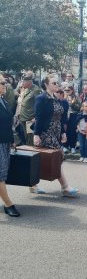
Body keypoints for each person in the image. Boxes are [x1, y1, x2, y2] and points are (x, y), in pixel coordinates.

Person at [33, 75, 79, 197]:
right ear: (46, 84)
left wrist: (63, 133)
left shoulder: (57, 99)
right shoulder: (41, 98)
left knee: (44, 159)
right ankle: (65, 187)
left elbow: (61, 118)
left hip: (56, 132)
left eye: (57, 83)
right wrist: (36, 134)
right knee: (56, 158)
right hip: (46, 132)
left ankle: (32, 184)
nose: (57, 85)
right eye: (54, 83)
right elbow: (38, 117)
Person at [0, 75, 20, 217]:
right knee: (0, 175)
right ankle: (8, 204)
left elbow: (7, 123)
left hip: (5, 141)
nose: (5, 84)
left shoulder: (4, 100)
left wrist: (12, 140)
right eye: (2, 83)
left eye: (5, 82)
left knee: (3, 173)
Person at [64, 85, 81, 154]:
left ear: (72, 90)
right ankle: (65, 146)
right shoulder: (63, 97)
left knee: (72, 132)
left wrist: (73, 103)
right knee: (65, 131)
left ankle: (72, 146)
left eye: (68, 90)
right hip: (65, 116)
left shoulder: (76, 97)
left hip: (73, 115)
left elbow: (79, 108)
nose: (67, 92)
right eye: (66, 90)